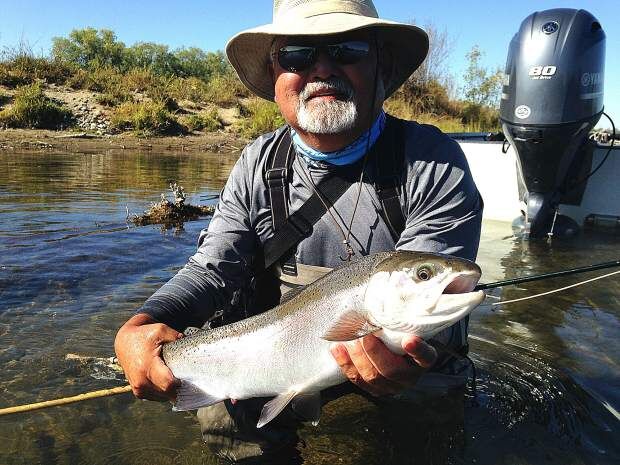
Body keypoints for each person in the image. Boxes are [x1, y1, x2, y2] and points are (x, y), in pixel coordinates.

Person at [115, 0, 483, 462]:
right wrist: (142, 323)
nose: (322, 70)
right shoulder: (257, 164)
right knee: (222, 416)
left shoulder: (432, 162)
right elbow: (212, 271)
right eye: (296, 56)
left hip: (401, 357)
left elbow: (424, 299)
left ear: (382, 67)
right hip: (282, 355)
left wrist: (407, 352)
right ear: (275, 76)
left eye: (347, 50)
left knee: (425, 417)